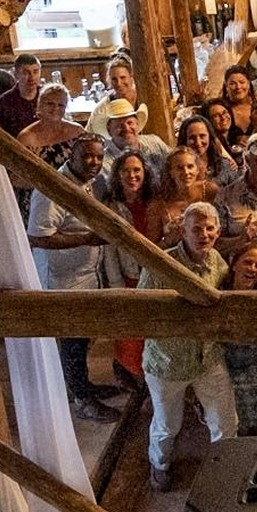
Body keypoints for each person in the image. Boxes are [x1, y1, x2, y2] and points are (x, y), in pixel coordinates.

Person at [139, 203, 238, 491]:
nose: (204, 234)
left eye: (210, 228)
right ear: (183, 230)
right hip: (167, 361)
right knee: (167, 423)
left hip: (207, 357)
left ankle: (226, 469)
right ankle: (159, 464)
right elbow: (143, 308)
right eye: (196, 228)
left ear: (218, 231)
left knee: (224, 419)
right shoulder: (163, 265)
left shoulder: (217, 261)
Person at [27, 133, 121, 422]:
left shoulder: (88, 182)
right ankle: (82, 399)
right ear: (71, 154)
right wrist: (86, 239)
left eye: (98, 156)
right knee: (73, 340)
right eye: (87, 156)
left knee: (82, 337)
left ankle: (83, 385)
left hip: (84, 273)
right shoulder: (52, 188)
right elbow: (39, 237)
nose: (93, 162)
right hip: (62, 277)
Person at [100, 150, 160, 387]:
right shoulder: (112, 205)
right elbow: (110, 249)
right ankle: (137, 379)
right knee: (131, 334)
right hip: (129, 275)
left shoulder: (154, 201)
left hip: (154, 275)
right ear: (118, 175)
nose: (132, 175)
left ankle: (153, 379)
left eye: (137, 170)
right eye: (126, 171)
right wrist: (117, 284)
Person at [220, 244, 257, 435]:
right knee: (232, 423)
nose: (252, 269)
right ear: (234, 264)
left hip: (255, 365)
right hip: (223, 365)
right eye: (247, 262)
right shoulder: (217, 287)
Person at [15, 83, 83, 218]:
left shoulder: (77, 132)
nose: (55, 109)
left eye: (61, 105)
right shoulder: (26, 137)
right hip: (37, 200)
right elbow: (16, 178)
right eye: (50, 104)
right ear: (39, 105)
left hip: (73, 198)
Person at [98, 98, 169, 192]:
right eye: (120, 125)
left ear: (137, 124)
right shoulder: (103, 161)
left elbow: (175, 163)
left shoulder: (155, 143)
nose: (126, 128)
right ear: (109, 130)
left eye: (130, 123)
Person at [85, 54, 141, 135]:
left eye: (123, 77)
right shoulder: (103, 107)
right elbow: (89, 132)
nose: (119, 83)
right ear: (109, 81)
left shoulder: (143, 98)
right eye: (114, 79)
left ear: (131, 77)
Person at [178, 113, 237, 187]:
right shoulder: (177, 169)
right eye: (192, 138)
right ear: (184, 139)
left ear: (210, 136)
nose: (198, 142)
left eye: (202, 136)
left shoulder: (225, 165)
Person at [0, 52, 41, 136]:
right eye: (26, 72)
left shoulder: (47, 96)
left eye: (35, 72)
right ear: (16, 74)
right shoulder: (4, 102)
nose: (32, 78)